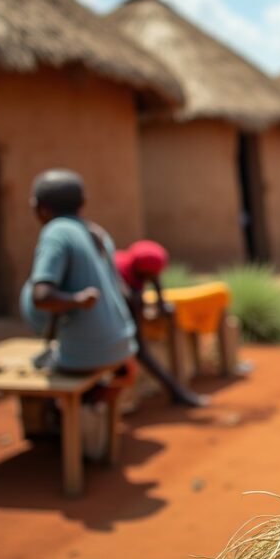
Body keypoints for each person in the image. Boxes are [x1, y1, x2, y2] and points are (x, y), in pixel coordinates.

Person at [20, 169, 136, 374]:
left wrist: (77, 300)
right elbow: (123, 291)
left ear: (41, 208)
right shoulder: (97, 232)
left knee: (33, 378)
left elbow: (42, 297)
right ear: (82, 204)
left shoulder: (56, 232)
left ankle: (51, 405)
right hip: (122, 345)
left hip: (85, 356)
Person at [114, 240, 210, 408]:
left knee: (139, 351)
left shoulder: (141, 267)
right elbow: (130, 302)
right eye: (147, 276)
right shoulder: (120, 276)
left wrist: (161, 303)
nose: (151, 279)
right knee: (138, 351)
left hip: (128, 307)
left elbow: (155, 283)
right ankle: (175, 392)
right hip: (111, 319)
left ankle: (175, 391)